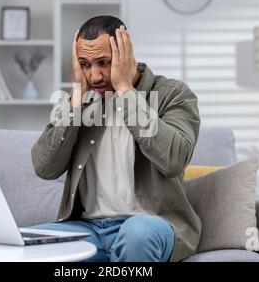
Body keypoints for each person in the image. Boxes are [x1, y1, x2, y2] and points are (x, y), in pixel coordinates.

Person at [29, 15, 201, 262]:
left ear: (126, 55)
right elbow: (44, 168)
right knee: (29, 243)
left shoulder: (172, 94)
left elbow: (174, 159)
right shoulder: (81, 101)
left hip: (151, 223)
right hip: (87, 229)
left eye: (103, 62)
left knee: (137, 234)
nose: (95, 76)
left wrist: (124, 91)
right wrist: (77, 97)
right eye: (85, 64)